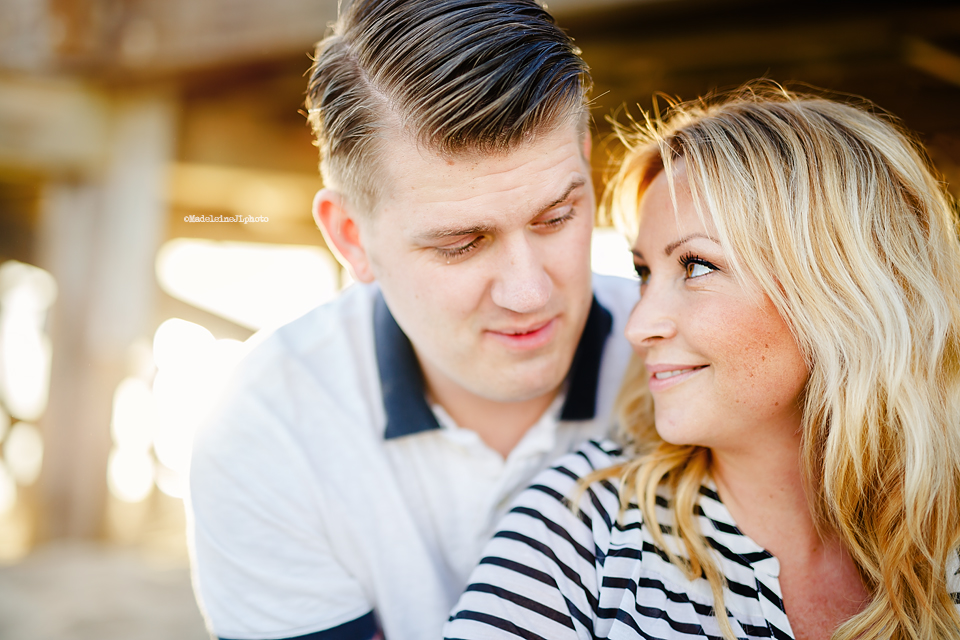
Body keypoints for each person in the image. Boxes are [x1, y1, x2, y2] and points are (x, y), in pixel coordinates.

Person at [187, 1, 638, 639]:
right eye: (461, 244)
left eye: (556, 217)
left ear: (585, 161)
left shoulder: (697, 362)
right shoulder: (264, 426)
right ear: (350, 239)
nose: (529, 290)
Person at [444, 85, 960, 640]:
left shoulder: (945, 532)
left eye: (695, 266)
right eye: (644, 272)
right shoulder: (575, 530)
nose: (639, 327)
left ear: (843, 292)